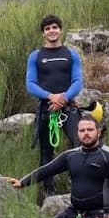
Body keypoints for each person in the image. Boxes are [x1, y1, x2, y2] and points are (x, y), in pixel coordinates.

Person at [3, 114, 109, 218]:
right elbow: (47, 170)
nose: (86, 133)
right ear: (77, 132)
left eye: (90, 130)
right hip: (73, 214)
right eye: (82, 130)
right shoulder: (71, 155)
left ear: (98, 132)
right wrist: (22, 182)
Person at [25, 14, 83, 200]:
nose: (52, 31)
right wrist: (51, 97)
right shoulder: (36, 56)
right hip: (46, 109)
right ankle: (49, 193)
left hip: (67, 109)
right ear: (43, 33)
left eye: (55, 27)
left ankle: (80, 189)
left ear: (60, 30)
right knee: (46, 152)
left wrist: (63, 99)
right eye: (48, 28)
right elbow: (31, 84)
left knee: (79, 146)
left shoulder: (71, 55)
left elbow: (77, 82)